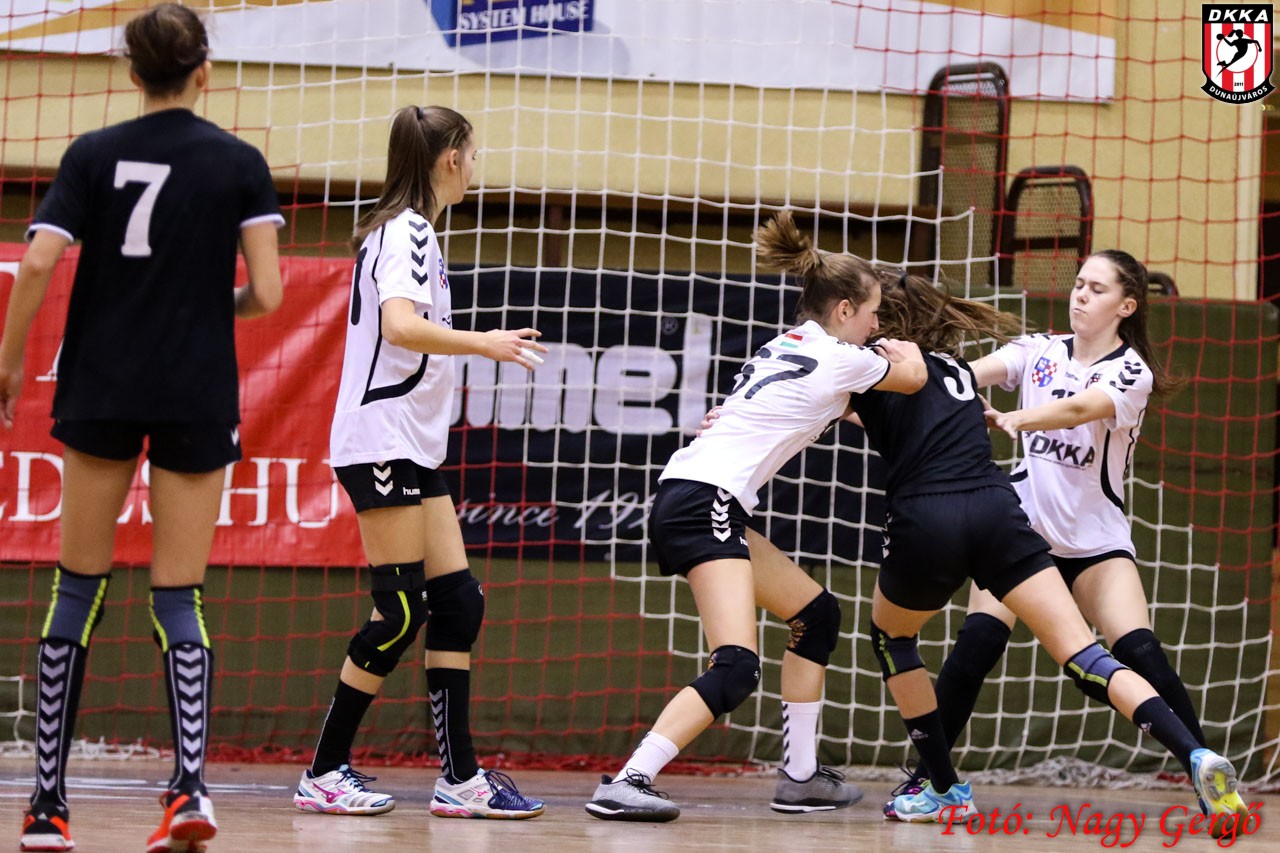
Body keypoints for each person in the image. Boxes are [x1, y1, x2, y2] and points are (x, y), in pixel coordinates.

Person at [0, 5, 284, 851]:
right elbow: (268, 294)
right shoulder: (239, 161)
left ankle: (46, 808)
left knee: (77, 587)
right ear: (204, 71)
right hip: (196, 387)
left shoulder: (91, 153)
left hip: (102, 383)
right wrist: (208, 306)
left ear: (131, 73)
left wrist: (8, 365)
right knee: (179, 593)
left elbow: (38, 260)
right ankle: (190, 791)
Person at [852, 268, 1247, 832]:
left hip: (1093, 539)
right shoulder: (1036, 349)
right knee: (974, 648)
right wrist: (925, 383)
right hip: (1022, 528)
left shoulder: (1131, 369)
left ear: (1127, 306)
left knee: (1139, 652)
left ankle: (1206, 774)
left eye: (1097, 289)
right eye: (1079, 283)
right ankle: (929, 778)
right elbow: (962, 376)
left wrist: (1017, 417)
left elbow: (1081, 409)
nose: (1080, 294)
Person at [584, 210, 930, 821]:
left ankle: (799, 777)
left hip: (696, 494)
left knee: (817, 615)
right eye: (874, 312)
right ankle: (629, 780)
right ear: (844, 309)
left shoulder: (788, 344)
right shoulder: (841, 357)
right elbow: (914, 378)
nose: (878, 324)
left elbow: (839, 410)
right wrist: (907, 352)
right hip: (707, 501)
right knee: (737, 665)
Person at [291, 104, 548, 821]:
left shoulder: (412, 232)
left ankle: (460, 779)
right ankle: (323, 770)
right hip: (383, 438)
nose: (475, 169)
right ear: (449, 159)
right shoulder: (405, 229)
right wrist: (486, 343)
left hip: (406, 443)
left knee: (459, 603)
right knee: (401, 609)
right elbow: (402, 325)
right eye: (472, 155)